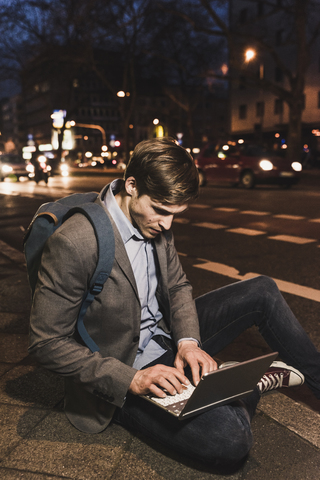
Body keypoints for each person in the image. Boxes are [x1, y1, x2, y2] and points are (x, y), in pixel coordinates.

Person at [29, 137, 320, 466]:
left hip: (166, 339)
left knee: (262, 290)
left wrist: (188, 343)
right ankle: (246, 383)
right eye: (161, 211)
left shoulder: (155, 222)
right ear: (132, 185)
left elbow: (179, 286)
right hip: (125, 372)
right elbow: (46, 342)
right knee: (229, 441)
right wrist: (133, 379)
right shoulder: (75, 242)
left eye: (174, 214)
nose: (167, 224)